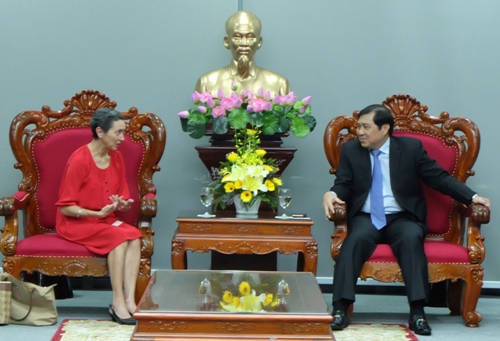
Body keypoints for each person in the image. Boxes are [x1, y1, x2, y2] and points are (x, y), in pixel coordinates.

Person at [322, 104, 491, 336]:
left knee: (412, 241)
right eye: (358, 126)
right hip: (368, 217)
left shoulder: (410, 148)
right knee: (353, 242)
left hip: (403, 217)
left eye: (365, 127)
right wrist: (331, 193)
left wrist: (472, 197)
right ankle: (340, 309)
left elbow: (438, 178)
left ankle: (417, 312)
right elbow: (344, 183)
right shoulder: (352, 150)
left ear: (384, 128)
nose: (359, 132)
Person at [55, 108, 142, 325]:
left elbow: (121, 200)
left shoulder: (117, 158)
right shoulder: (79, 159)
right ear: (100, 132)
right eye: (118, 133)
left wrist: (121, 204)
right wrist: (95, 213)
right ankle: (117, 301)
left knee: (134, 236)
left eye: (124, 132)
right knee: (119, 239)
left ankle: (131, 301)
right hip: (77, 222)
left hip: (105, 221)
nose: (123, 138)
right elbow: (65, 208)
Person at [195, 10, 290, 97]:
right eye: (237, 37)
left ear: (259, 42)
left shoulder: (279, 84)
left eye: (250, 37)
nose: (244, 43)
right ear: (226, 41)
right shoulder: (207, 82)